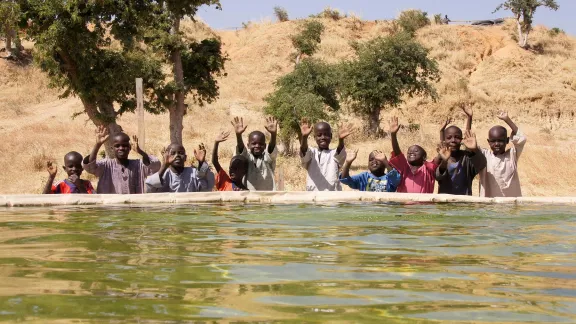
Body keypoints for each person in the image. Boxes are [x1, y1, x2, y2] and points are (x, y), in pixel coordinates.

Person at [83, 125, 161, 194]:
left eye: (125, 146)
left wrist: (140, 152)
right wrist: (97, 145)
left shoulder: (139, 165)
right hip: (110, 208)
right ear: (112, 149)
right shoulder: (106, 165)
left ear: (130, 148)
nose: (121, 148)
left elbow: (155, 166)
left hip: (134, 208)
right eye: (117, 146)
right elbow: (90, 168)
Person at [436, 106, 487, 195]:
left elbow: (481, 164)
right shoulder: (441, 158)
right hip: (444, 205)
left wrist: (475, 149)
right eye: (449, 138)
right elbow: (438, 176)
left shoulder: (466, 158)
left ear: (462, 140)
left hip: (464, 205)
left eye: (457, 137)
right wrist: (444, 161)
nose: (453, 141)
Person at [388, 117, 443, 194]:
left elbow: (441, 155)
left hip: (423, 205)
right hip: (404, 205)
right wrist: (393, 135)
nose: (411, 152)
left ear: (424, 157)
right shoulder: (404, 167)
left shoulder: (429, 169)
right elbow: (398, 153)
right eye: (409, 151)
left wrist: (442, 132)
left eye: (415, 151)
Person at [478, 112, 527, 197]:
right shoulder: (485, 156)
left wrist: (507, 120)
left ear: (507, 141)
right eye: (493, 141)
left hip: (510, 206)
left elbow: (522, 138)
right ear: (488, 142)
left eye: (500, 140)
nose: (496, 144)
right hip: (489, 206)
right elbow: (469, 144)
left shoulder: (512, 155)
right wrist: (469, 118)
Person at [300, 119, 354, 191]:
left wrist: (341, 140)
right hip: (313, 197)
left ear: (331, 136)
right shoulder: (312, 153)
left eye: (326, 135)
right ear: (314, 137)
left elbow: (339, 151)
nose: (323, 138)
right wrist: (304, 137)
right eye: (319, 135)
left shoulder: (334, 153)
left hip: (332, 197)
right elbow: (304, 150)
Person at [232, 116, 278, 191]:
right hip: (249, 198)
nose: (257, 146)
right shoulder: (246, 158)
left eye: (260, 144)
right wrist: (238, 135)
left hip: (268, 198)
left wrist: (273, 134)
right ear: (248, 145)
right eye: (254, 143)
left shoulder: (267, 159)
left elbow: (271, 149)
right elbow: (240, 151)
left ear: (265, 146)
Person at [145, 143, 214, 193]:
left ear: (185, 158)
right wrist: (164, 165)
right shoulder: (163, 174)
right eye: (173, 153)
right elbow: (149, 188)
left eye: (180, 153)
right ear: (166, 156)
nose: (177, 155)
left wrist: (202, 162)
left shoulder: (193, 172)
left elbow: (205, 184)